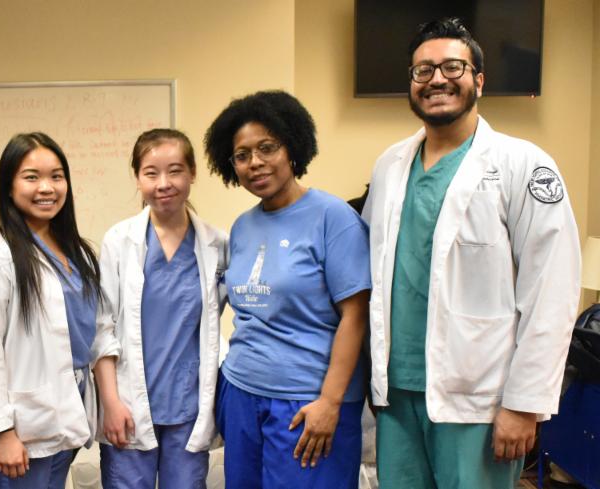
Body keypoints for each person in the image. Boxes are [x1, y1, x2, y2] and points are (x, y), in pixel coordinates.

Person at [361, 18, 581, 489]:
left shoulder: (523, 164)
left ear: (479, 80)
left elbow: (552, 289)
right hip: (397, 394)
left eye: (452, 67)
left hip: (479, 399)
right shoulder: (389, 166)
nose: (436, 79)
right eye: (423, 70)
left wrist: (524, 404)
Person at [204, 90, 371, 489]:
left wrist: (330, 402)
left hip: (307, 401)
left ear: (292, 147)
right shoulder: (243, 226)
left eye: (267, 147)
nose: (255, 162)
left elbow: (356, 316)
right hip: (241, 393)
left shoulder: (334, 218)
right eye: (242, 155)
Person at [93, 128, 228, 489]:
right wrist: (111, 402)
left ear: (193, 173)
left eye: (176, 171)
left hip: (188, 407)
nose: (164, 183)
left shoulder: (216, 244)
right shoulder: (119, 241)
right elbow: (102, 328)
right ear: (137, 178)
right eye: (151, 173)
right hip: (128, 404)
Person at [0, 132, 110, 489]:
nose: (47, 187)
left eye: (56, 176)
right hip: (24, 423)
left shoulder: (78, 253)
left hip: (68, 405)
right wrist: (3, 431)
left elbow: (95, 328)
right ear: (9, 187)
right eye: (31, 177)